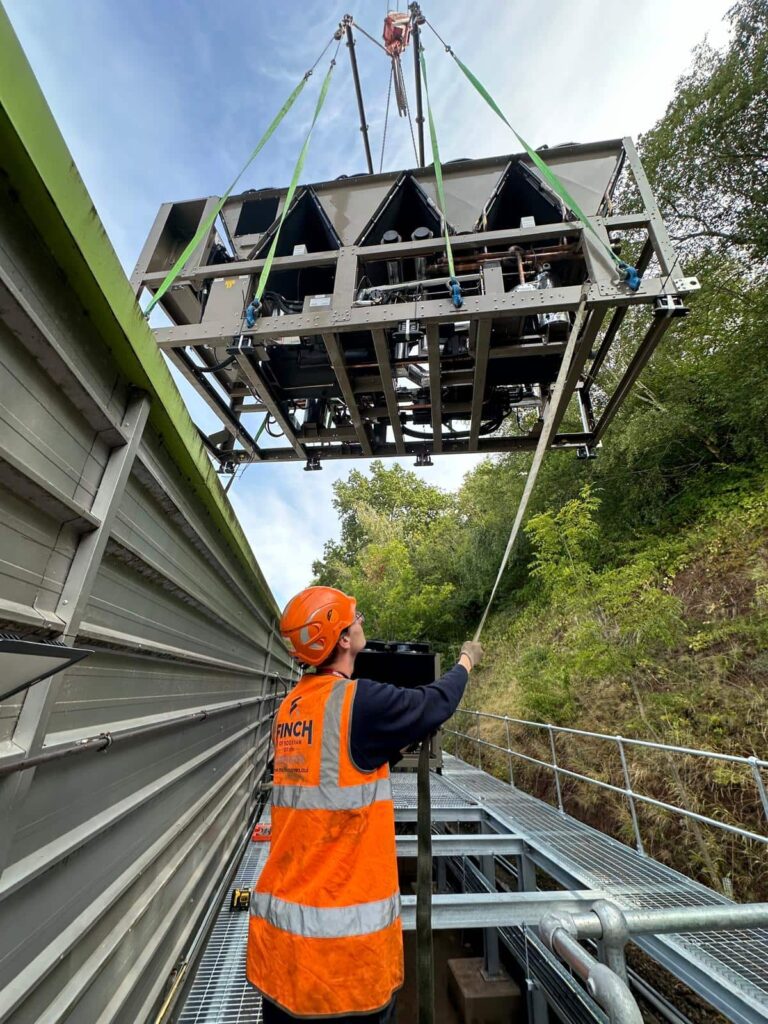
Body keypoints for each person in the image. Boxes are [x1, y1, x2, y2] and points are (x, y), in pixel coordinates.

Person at [247, 585, 483, 1022]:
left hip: (283, 955)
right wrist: (466, 661)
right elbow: (436, 702)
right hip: (343, 967)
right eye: (355, 618)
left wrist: (388, 746)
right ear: (339, 638)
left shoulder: (294, 707)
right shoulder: (360, 702)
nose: (362, 623)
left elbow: (336, 768)